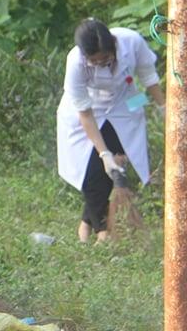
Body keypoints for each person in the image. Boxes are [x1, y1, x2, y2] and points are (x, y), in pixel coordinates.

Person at [56, 19, 163, 243]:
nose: (100, 64)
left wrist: (164, 106)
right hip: (85, 111)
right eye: (94, 61)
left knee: (113, 166)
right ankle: (102, 234)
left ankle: (86, 226)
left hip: (124, 104)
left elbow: (148, 77)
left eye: (105, 59)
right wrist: (103, 154)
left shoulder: (131, 41)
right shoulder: (75, 61)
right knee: (92, 170)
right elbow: (85, 114)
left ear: (113, 44)